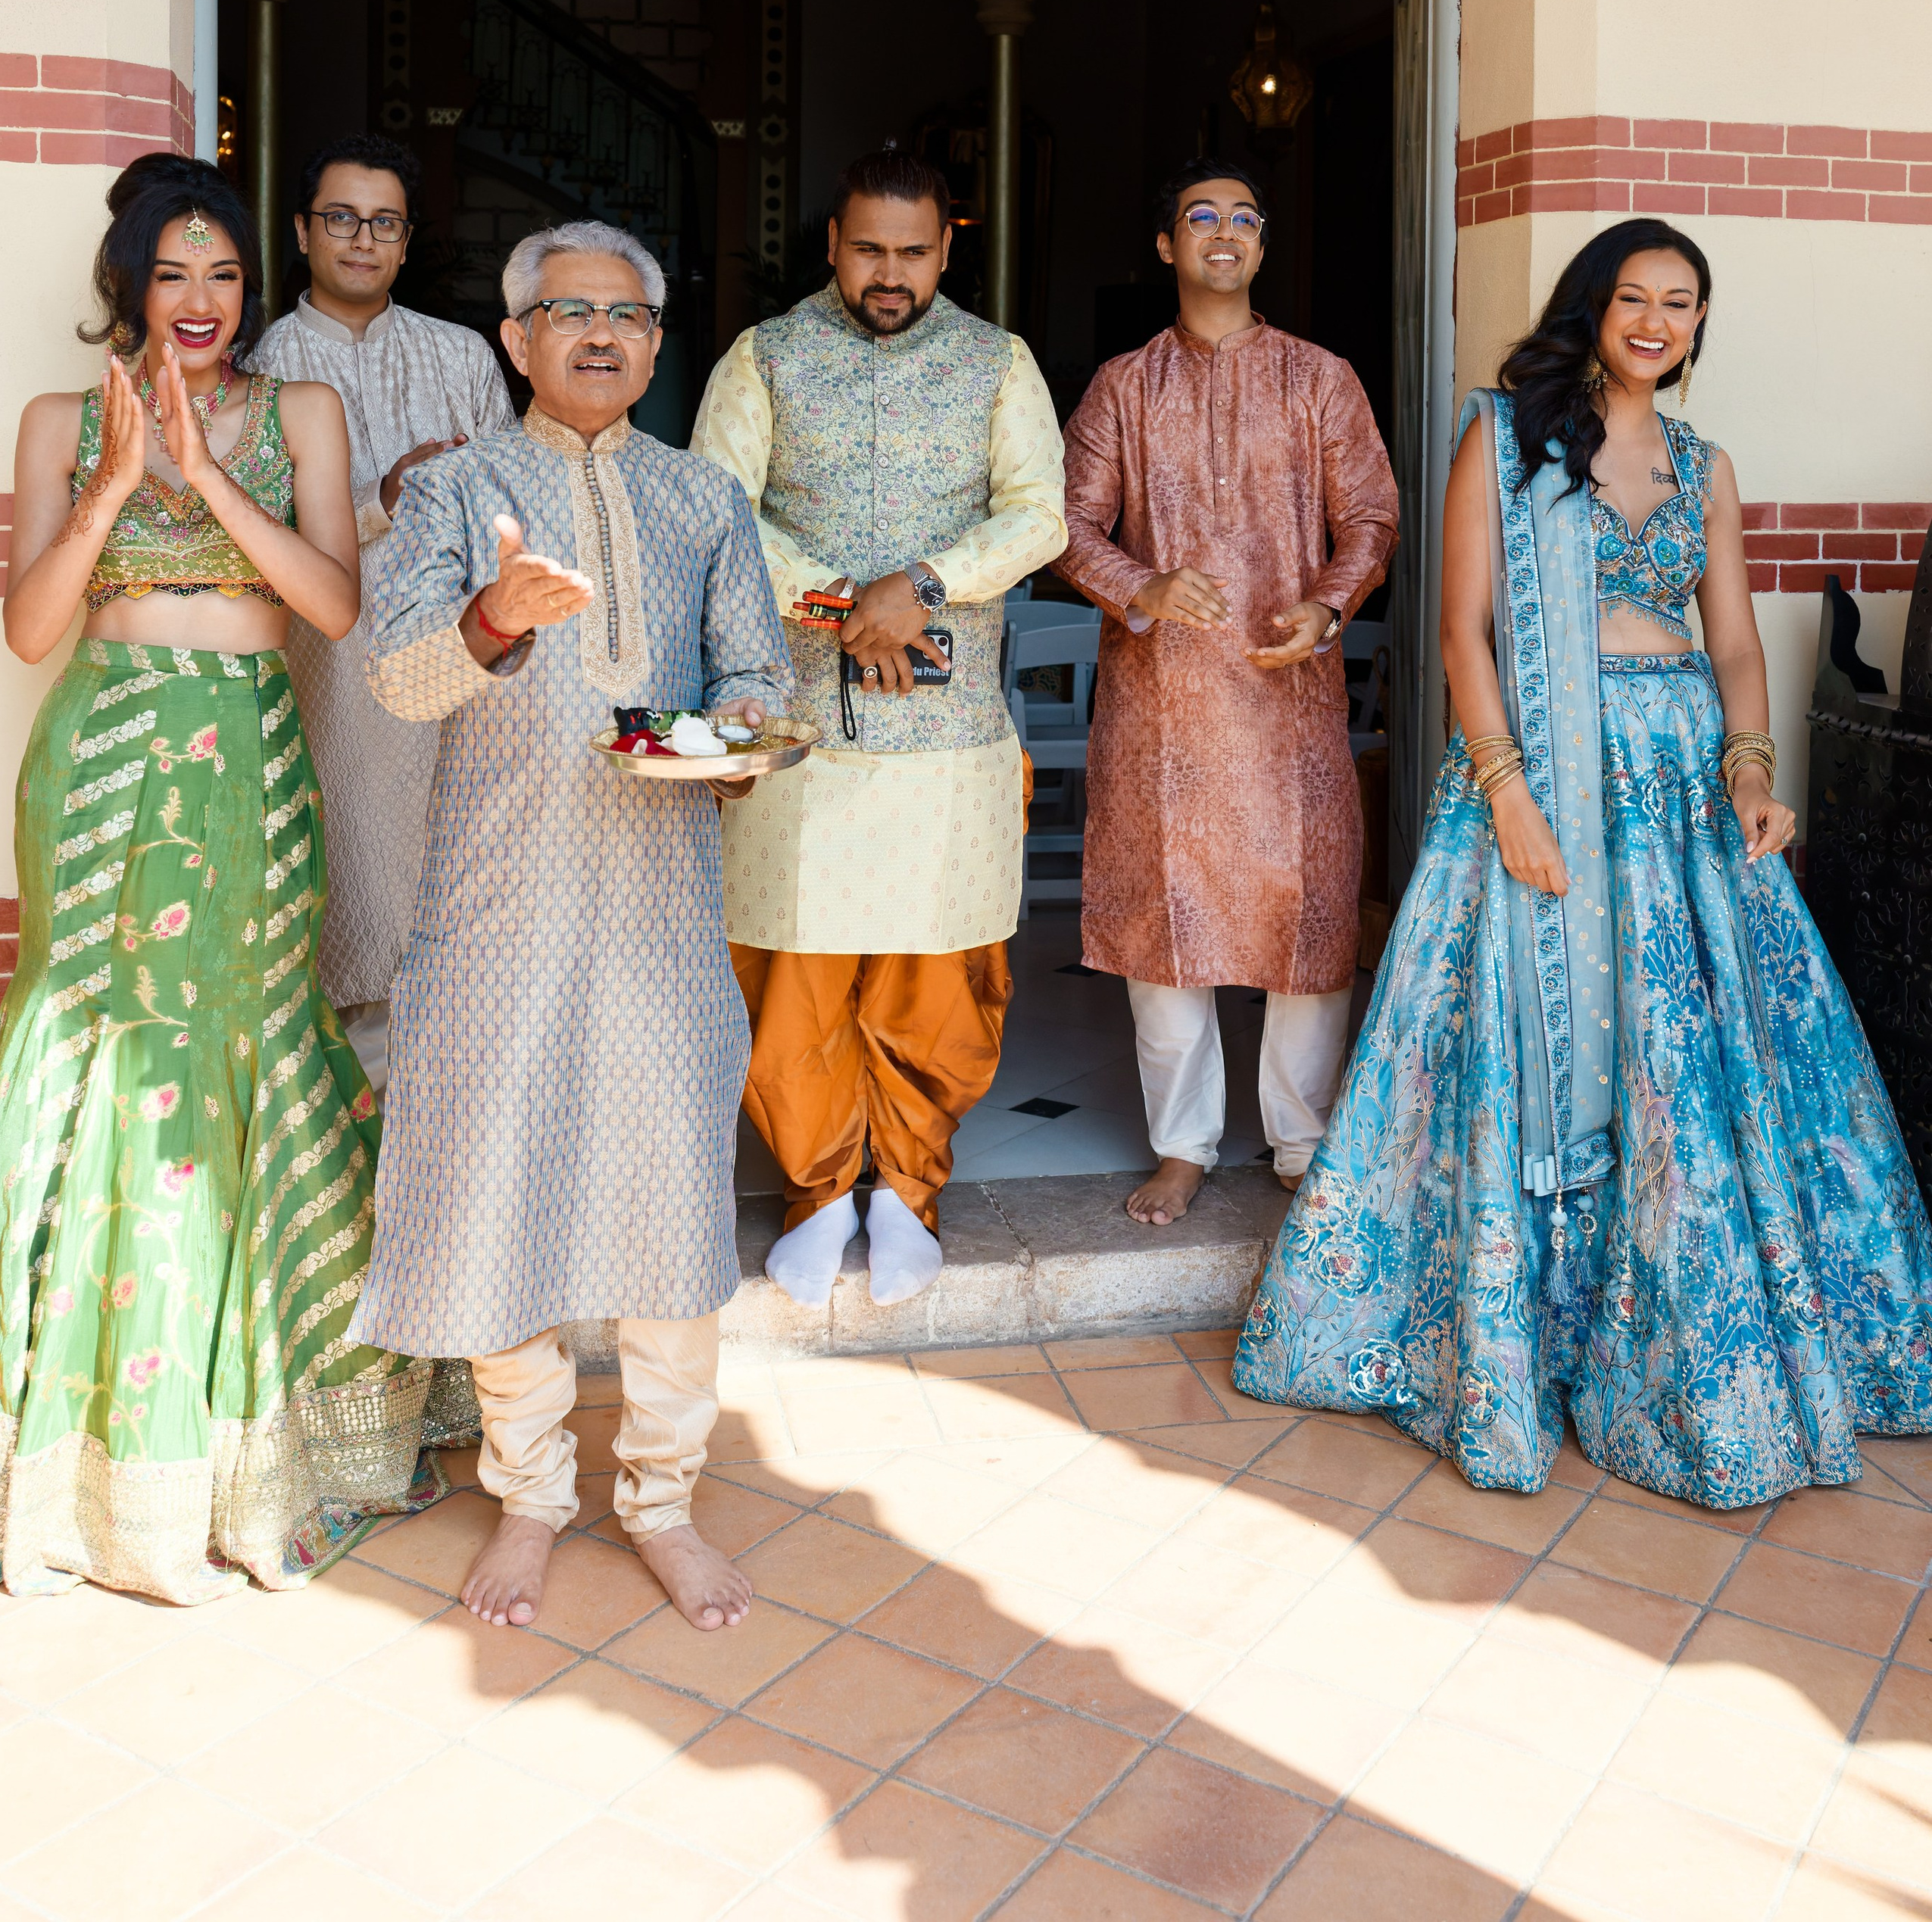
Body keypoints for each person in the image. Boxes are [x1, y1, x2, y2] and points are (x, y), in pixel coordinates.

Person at [1234, 219, 1932, 1506]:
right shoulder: (1504, 436)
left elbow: (1730, 643)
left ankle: (1664, 1341)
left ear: (1699, 326)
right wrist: (1507, 795)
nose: (1657, 321)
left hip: (1677, 795)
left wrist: (1755, 773)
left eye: (1683, 303)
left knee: (1680, 1065)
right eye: (1635, 297)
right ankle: (1522, 1335)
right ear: (1592, 308)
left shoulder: (1706, 466)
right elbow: (1461, 628)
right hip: (1539, 774)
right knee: (1529, 1053)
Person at [0, 154, 439, 1601]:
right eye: (172, 272)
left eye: (225, 273)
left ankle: (241, 1445)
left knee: (239, 1050)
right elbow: (33, 631)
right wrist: (118, 478)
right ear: (128, 281)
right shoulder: (59, 419)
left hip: (248, 759)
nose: (200, 299)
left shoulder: (302, 406)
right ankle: (80, 1457)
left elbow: (329, 602)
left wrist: (201, 480)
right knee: (100, 1043)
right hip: (104, 761)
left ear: (255, 287)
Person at [354, 218, 792, 1634]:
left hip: (661, 907)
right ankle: (532, 1492)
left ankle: (661, 1501)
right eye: (568, 310)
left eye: (627, 312)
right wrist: (493, 617)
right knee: (498, 1188)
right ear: (515, 338)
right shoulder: (458, 488)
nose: (599, 332)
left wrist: (731, 736)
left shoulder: (704, 498)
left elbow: (760, 686)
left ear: (659, 343)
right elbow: (399, 682)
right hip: (495, 909)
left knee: (667, 1194)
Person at [691, 147, 1066, 1311]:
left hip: (949, 735)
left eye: (913, 251)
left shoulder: (1000, 364)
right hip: (800, 727)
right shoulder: (764, 358)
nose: (889, 273)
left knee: (935, 971)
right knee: (796, 971)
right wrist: (840, 606)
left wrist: (924, 584)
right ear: (833, 246)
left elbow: (1039, 515)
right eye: (868, 250)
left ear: (948, 246)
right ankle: (815, 1191)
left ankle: (906, 1186)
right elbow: (719, 506)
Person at [1057, 161, 1399, 1228]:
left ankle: (1301, 1140)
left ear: (1260, 248)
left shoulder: (1320, 379)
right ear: (1166, 245)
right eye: (1201, 215)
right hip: (1162, 704)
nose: (1225, 231)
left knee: (1309, 916)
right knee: (1162, 921)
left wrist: (1330, 608)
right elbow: (1068, 523)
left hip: (1285, 698)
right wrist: (1142, 585)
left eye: (1245, 217)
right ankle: (1184, 1145)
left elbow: (1372, 520)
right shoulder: (1123, 385)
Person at [254, 133, 515, 1096]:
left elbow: (511, 507)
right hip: (327, 683)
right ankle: (355, 1166)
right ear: (302, 231)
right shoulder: (258, 361)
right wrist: (385, 497)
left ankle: (447, 1156)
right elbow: (246, 526)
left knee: (457, 920)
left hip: (460, 681)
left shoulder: (461, 353)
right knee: (350, 905)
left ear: (407, 243)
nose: (362, 239)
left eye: (384, 222)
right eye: (340, 218)